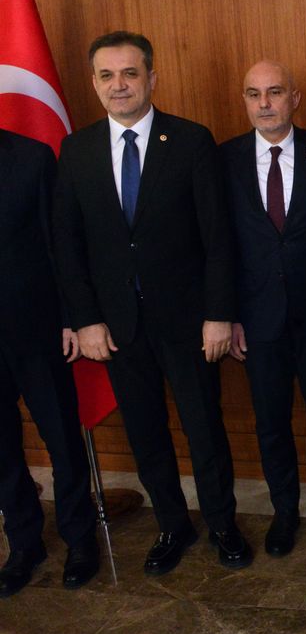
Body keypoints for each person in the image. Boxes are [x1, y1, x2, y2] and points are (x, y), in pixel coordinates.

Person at [53, 31, 246, 574]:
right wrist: (86, 320)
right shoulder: (76, 150)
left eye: (130, 73)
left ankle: (222, 524)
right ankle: (172, 525)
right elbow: (67, 244)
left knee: (204, 429)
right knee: (145, 433)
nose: (119, 85)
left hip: (189, 323)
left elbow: (218, 237)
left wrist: (219, 314)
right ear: (95, 83)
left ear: (151, 78)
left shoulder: (190, 141)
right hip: (118, 327)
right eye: (107, 76)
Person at [220, 60, 306, 556]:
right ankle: (284, 511)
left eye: (275, 92)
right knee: (271, 421)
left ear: (294, 98)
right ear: (244, 101)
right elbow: (219, 246)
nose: (264, 103)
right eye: (253, 94)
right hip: (257, 321)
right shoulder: (225, 158)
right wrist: (230, 314)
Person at [0, 130, 99, 597]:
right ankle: (24, 544)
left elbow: (57, 242)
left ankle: (80, 539)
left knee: (62, 439)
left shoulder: (32, 157)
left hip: (36, 330)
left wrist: (68, 318)